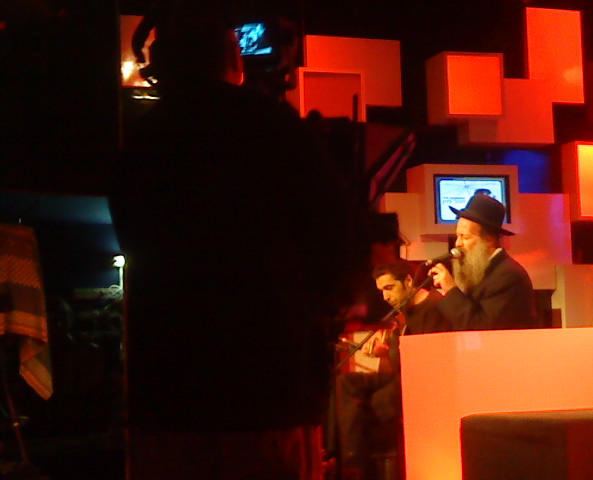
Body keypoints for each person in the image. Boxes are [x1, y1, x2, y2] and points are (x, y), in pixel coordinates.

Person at [108, 1, 371, 479]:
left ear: (160, 66)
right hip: (267, 397)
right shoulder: (278, 129)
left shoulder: (140, 143)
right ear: (234, 58)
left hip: (166, 400)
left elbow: (135, 242)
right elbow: (335, 246)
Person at [335, 261, 451, 480]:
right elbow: (398, 360)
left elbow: (423, 364)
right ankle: (349, 461)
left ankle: (357, 466)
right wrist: (385, 350)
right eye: (381, 291)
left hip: (420, 383)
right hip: (401, 376)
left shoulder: (434, 307)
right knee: (345, 382)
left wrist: (388, 352)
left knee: (372, 406)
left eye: (389, 288)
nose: (385, 297)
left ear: (408, 281)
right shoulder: (405, 311)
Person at [429, 193, 538, 330]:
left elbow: (481, 327)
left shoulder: (508, 276)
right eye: (457, 236)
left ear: (489, 239)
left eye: (465, 237)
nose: (458, 244)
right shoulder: (481, 271)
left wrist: (451, 290)